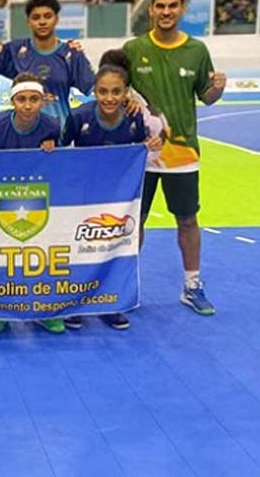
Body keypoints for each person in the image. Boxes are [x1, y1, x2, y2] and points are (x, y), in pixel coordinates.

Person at [122, 0, 226, 316]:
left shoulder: (197, 50)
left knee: (187, 219)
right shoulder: (133, 49)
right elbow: (117, 91)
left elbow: (207, 97)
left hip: (183, 154)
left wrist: (218, 88)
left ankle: (192, 285)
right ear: (151, 9)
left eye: (172, 6)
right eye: (160, 6)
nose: (166, 12)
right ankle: (125, 287)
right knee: (134, 221)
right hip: (141, 153)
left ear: (182, 9)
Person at [60, 63, 164, 331]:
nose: (109, 98)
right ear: (94, 91)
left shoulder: (134, 118)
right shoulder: (79, 116)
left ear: (126, 92)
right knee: (80, 247)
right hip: (83, 196)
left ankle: (110, 303)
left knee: (113, 248)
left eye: (116, 91)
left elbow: (142, 151)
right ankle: (75, 304)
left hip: (117, 199)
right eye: (103, 91)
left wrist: (151, 146)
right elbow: (61, 151)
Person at [0, 73, 64, 336]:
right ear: (12, 100)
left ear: (43, 101)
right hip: (1, 198)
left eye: (34, 99)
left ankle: (43, 310)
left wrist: (54, 147)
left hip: (37, 198)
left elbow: (60, 164)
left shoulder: (52, 126)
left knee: (39, 256)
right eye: (22, 99)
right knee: (1, 256)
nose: (28, 105)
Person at [0, 0, 95, 127]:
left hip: (60, 133)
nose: (42, 22)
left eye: (47, 16)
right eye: (36, 17)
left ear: (56, 19)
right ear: (28, 22)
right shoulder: (14, 50)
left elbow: (96, 91)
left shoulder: (71, 54)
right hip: (25, 133)